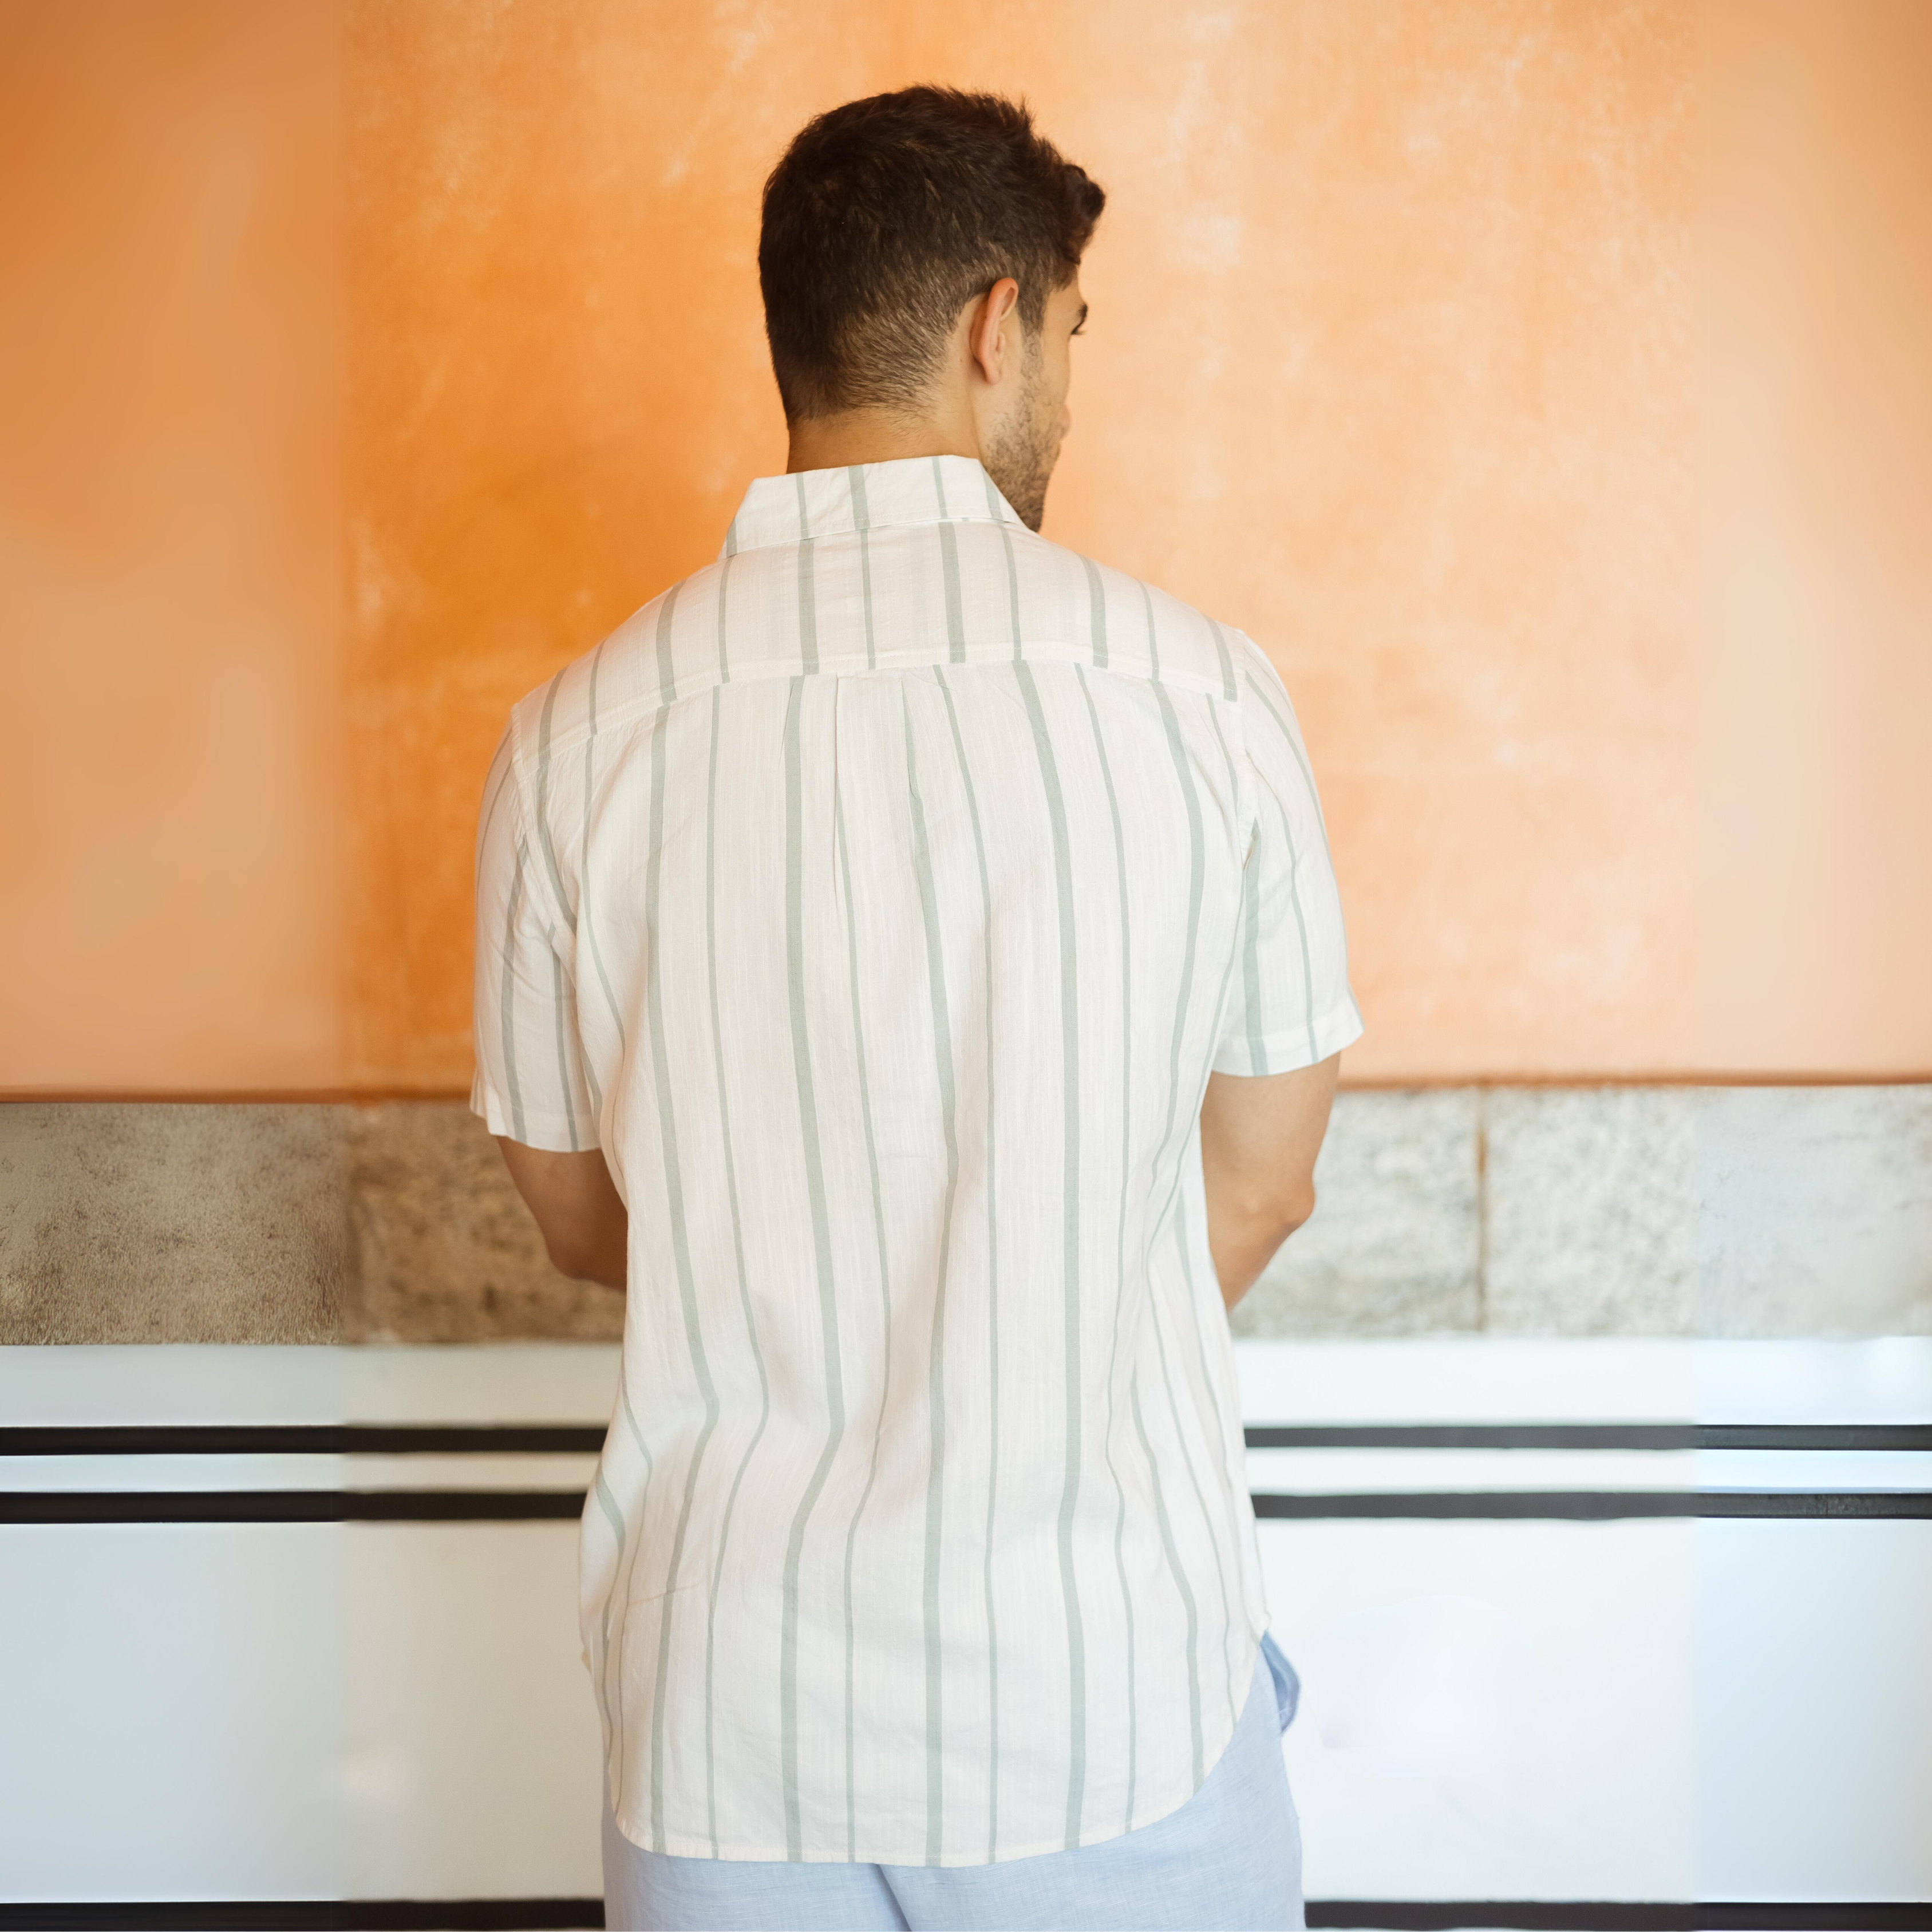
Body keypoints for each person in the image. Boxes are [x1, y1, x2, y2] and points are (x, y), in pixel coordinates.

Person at [471, 85, 1361, 1932]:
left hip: (728, 1724)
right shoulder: (1194, 694)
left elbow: (573, 1219)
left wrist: (800, 1257)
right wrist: (1029, 1331)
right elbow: (1261, 1185)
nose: (1064, 391)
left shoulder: (573, 740)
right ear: (994, 322)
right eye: (1070, 341)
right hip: (1103, 1692)